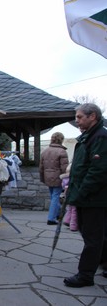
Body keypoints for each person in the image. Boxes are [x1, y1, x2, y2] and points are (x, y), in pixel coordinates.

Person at [63, 103, 107, 288]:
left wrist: (80, 194)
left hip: (94, 199)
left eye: (80, 117)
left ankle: (85, 275)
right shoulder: (87, 137)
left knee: (93, 237)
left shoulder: (101, 137)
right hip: (87, 197)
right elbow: (79, 169)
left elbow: (97, 172)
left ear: (93, 117)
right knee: (97, 235)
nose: (77, 120)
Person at [39, 132, 69, 225]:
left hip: (47, 176)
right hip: (58, 177)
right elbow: (65, 168)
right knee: (55, 197)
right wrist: (67, 179)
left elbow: (41, 167)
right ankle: (51, 218)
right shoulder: (62, 151)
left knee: (53, 196)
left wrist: (42, 178)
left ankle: (59, 213)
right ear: (61, 140)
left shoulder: (45, 151)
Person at [61, 163, 78, 231]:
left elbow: (63, 186)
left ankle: (67, 220)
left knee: (70, 209)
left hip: (67, 196)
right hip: (73, 195)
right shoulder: (73, 178)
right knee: (74, 210)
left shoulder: (64, 178)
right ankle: (73, 225)